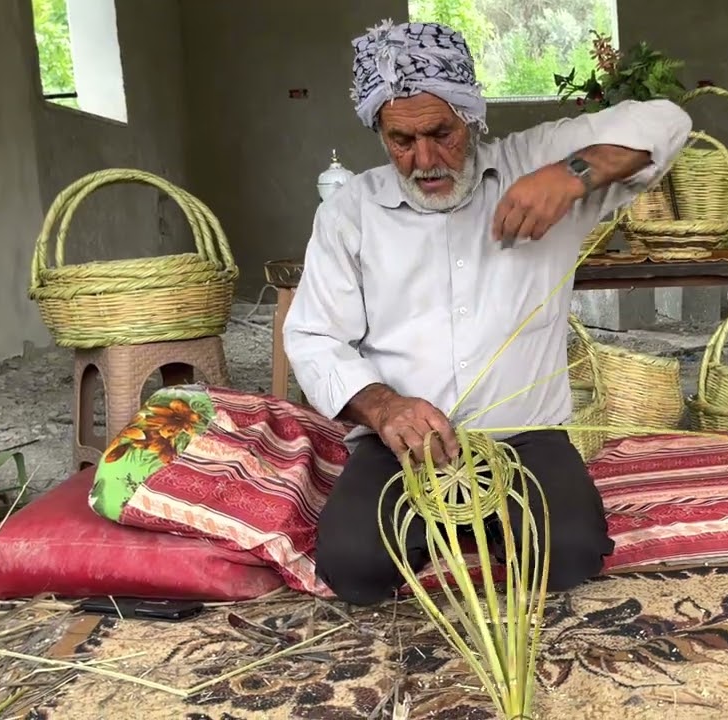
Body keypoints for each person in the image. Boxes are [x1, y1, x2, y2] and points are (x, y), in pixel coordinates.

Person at [283, 19, 692, 606]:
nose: (425, 158)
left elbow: (669, 122)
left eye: (441, 132)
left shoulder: (535, 161)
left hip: (525, 438)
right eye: (401, 140)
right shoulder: (351, 213)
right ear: (378, 131)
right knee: (351, 567)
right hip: (403, 446)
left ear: (471, 116)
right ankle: (468, 532)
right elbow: (316, 336)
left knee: (572, 553)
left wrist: (572, 174)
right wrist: (384, 405)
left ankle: (468, 533)